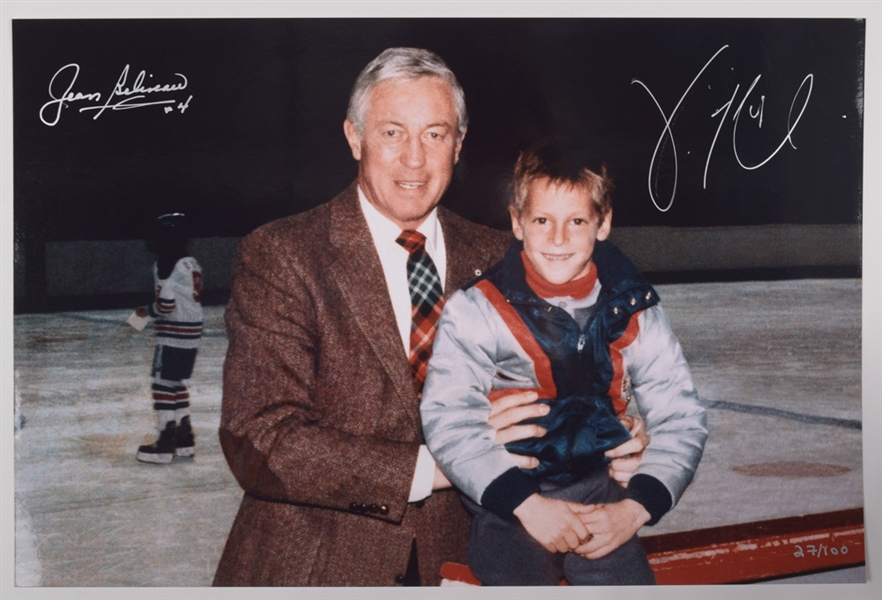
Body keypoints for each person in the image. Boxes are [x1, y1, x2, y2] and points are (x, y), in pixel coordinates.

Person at [213, 48, 647, 587]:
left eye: (435, 134)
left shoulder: (507, 259)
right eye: (393, 133)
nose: (414, 159)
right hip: (319, 566)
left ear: (458, 144)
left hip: (473, 563)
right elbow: (261, 437)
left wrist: (615, 428)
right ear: (354, 137)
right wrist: (443, 465)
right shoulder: (284, 254)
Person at [420, 143, 708, 585]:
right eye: (542, 221)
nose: (558, 239)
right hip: (510, 496)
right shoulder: (479, 309)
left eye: (576, 221)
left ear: (604, 222)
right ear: (517, 222)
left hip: (599, 492)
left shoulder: (632, 306)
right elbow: (449, 416)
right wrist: (524, 504)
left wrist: (635, 508)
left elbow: (680, 414)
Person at [135, 213, 203, 464]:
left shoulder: (166, 264)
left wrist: (143, 313)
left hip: (174, 333)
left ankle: (165, 442)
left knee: (162, 384)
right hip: (192, 331)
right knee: (176, 382)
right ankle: (185, 437)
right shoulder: (191, 262)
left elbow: (165, 304)